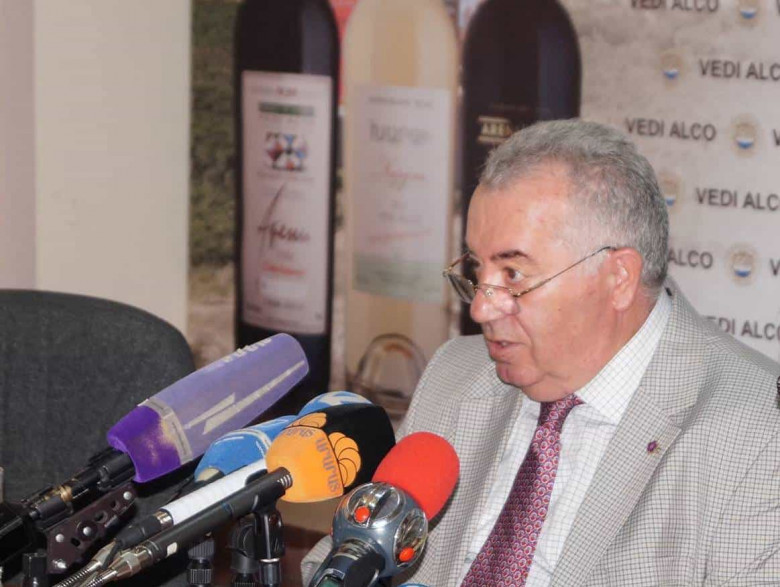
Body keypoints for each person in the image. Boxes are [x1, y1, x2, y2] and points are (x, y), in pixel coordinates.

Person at [302, 119, 780, 586]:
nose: (481, 308)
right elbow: (339, 562)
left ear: (617, 278)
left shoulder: (758, 432)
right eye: (476, 270)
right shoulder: (455, 373)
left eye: (513, 275)